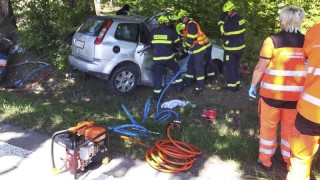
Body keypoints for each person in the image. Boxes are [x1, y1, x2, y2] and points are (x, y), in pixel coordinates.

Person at [248, 6, 306, 171]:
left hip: (271, 96)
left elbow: (260, 68)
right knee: (290, 130)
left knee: (268, 127)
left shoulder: (272, 40)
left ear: (283, 20)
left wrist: (253, 85)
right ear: (299, 21)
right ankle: (289, 160)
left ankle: (265, 160)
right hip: (295, 98)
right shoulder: (307, 41)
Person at [286, 23, 320, 180]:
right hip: (311, 110)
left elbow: (305, 58)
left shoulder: (315, 31)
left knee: (300, 161)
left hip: (311, 111)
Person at [178, 9, 214, 94]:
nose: (182, 20)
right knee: (190, 67)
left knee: (198, 68)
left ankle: (200, 86)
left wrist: (185, 45)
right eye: (181, 19)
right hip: (193, 51)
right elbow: (187, 39)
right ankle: (187, 82)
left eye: (182, 18)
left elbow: (190, 40)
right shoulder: (186, 27)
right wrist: (185, 45)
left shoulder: (192, 24)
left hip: (199, 50)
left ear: (185, 17)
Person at [150, 15, 183, 101]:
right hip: (168, 58)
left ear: (159, 23)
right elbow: (179, 44)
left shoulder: (153, 32)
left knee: (158, 77)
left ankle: (157, 96)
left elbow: (151, 44)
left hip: (157, 59)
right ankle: (179, 87)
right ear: (166, 22)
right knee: (177, 69)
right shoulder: (170, 31)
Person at [218, 1, 246, 92]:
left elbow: (222, 31)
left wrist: (221, 21)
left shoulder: (230, 22)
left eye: (226, 12)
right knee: (236, 66)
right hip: (240, 48)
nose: (226, 14)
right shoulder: (241, 19)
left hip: (231, 49)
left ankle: (232, 87)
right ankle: (237, 84)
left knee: (230, 67)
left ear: (231, 11)